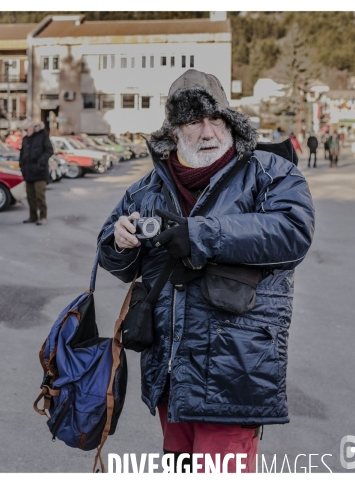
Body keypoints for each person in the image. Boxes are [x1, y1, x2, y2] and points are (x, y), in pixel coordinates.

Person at [97, 69, 315, 473]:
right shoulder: (146, 189)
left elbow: (293, 232)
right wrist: (119, 240)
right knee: (179, 469)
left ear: (230, 122)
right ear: (175, 130)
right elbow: (112, 259)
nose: (209, 131)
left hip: (235, 370)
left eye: (217, 119)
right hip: (171, 369)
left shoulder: (269, 171)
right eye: (195, 121)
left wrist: (201, 234)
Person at [19, 118, 53, 225]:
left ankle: (43, 217)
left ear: (33, 127)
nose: (25, 131)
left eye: (26, 129)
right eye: (24, 130)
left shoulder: (42, 136)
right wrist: (22, 166)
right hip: (28, 173)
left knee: (40, 196)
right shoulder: (25, 139)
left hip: (40, 173)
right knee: (30, 197)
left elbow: (49, 150)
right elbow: (22, 154)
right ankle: (33, 216)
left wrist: (41, 162)